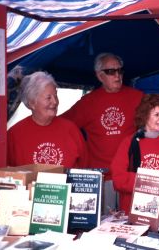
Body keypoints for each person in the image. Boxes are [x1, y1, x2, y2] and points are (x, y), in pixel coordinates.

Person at [61, 53, 144, 213]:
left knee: (133, 224)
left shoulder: (137, 97)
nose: (117, 75)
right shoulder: (88, 103)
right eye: (111, 72)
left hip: (130, 175)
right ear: (100, 76)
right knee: (105, 225)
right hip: (103, 178)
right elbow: (61, 126)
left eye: (120, 71)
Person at [111, 93, 159, 215]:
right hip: (134, 212)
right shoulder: (128, 142)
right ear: (145, 116)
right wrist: (151, 184)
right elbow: (118, 178)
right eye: (157, 114)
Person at [7, 71, 87, 168]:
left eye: (55, 96)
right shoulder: (14, 134)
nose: (55, 102)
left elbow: (84, 166)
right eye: (48, 98)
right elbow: (8, 172)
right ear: (32, 103)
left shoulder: (71, 129)